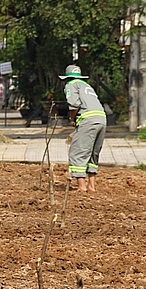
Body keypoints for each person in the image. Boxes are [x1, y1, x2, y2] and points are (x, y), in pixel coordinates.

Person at [61, 64, 107, 193]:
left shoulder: (71, 85)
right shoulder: (86, 85)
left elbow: (74, 104)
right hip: (101, 119)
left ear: (67, 78)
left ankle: (81, 187)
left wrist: (72, 119)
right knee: (93, 152)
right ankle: (92, 186)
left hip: (88, 120)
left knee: (78, 151)